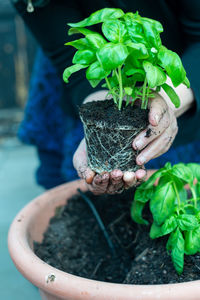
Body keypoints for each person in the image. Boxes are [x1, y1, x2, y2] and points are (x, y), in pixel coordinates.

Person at [12, 0, 200, 194]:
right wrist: (100, 127)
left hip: (182, 65)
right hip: (88, 56)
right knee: (69, 195)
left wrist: (162, 106)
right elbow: (73, 61)